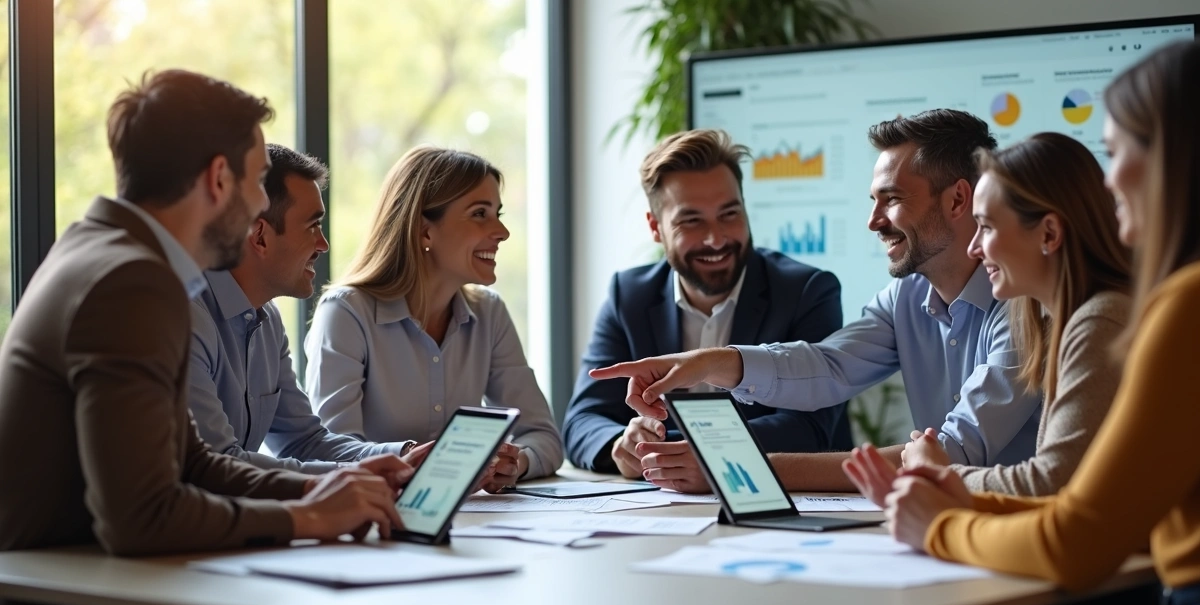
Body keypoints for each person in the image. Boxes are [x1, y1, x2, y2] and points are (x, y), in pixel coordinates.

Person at [0, 70, 415, 605]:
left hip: (83, 583)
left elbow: (193, 463)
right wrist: (307, 516)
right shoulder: (133, 282)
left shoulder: (107, 250)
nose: (255, 211)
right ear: (219, 179)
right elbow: (142, 518)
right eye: (257, 182)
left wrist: (325, 488)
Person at [848, 41, 1200, 605]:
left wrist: (938, 522)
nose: (1109, 175)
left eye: (1118, 151)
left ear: (1173, 160)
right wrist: (949, 492)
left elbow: (1078, 534)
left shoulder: (1185, 305)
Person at [592, 109, 1042, 493]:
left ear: (959, 199)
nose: (872, 221)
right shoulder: (907, 295)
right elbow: (827, 367)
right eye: (873, 201)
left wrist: (738, 470)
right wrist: (709, 362)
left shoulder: (1026, 304)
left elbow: (950, 453)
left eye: (892, 200)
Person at [857, 132, 1130, 497]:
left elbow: (1049, 485)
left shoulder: (1099, 323)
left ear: (1049, 233)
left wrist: (938, 475)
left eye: (985, 227)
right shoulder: (1065, 321)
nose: (974, 247)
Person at [563, 129, 850, 476]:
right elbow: (582, 420)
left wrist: (688, 448)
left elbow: (810, 428)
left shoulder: (807, 291)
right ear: (655, 228)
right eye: (692, 221)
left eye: (729, 214)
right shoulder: (630, 295)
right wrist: (621, 444)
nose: (716, 239)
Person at [304, 146, 562, 489]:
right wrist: (414, 457)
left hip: (472, 521)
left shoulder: (489, 312)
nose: (502, 231)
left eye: (497, 213)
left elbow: (543, 436)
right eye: (480, 214)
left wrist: (516, 463)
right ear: (425, 231)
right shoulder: (347, 313)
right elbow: (329, 453)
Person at [189, 144, 412, 471]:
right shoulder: (187, 316)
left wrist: (407, 456)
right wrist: (361, 475)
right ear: (260, 236)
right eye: (312, 226)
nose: (323, 244)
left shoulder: (267, 320)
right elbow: (218, 465)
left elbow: (304, 441)